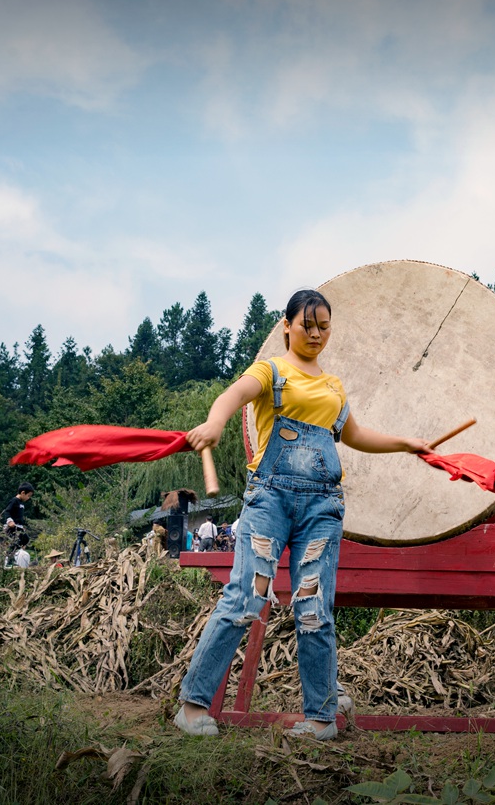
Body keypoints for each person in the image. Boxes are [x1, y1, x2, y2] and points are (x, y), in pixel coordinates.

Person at [175, 288, 433, 741]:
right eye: (307, 325)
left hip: (322, 506)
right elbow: (232, 396)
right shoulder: (270, 371)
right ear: (287, 326)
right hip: (269, 499)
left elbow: (354, 435)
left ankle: (321, 718)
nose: (315, 334)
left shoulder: (333, 386)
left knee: (314, 606)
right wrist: (215, 423)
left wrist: (406, 444)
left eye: (323, 327)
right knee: (246, 598)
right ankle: (193, 705)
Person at [1, 483, 35, 564]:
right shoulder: (14, 501)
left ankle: (17, 553)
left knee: (25, 539)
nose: (28, 498)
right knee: (14, 542)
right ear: (23, 493)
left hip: (19, 526)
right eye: (28, 496)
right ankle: (10, 558)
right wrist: (10, 521)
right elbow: (7, 511)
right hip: (12, 526)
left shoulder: (21, 503)